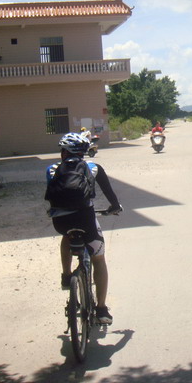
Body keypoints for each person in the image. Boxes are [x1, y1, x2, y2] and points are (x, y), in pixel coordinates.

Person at [46, 132, 122, 325]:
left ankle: (66, 276)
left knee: (67, 236)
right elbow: (109, 193)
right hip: (86, 220)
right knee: (99, 258)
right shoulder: (94, 167)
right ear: (83, 152)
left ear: (64, 152)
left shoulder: (51, 169)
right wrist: (114, 207)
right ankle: (101, 309)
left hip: (60, 222)